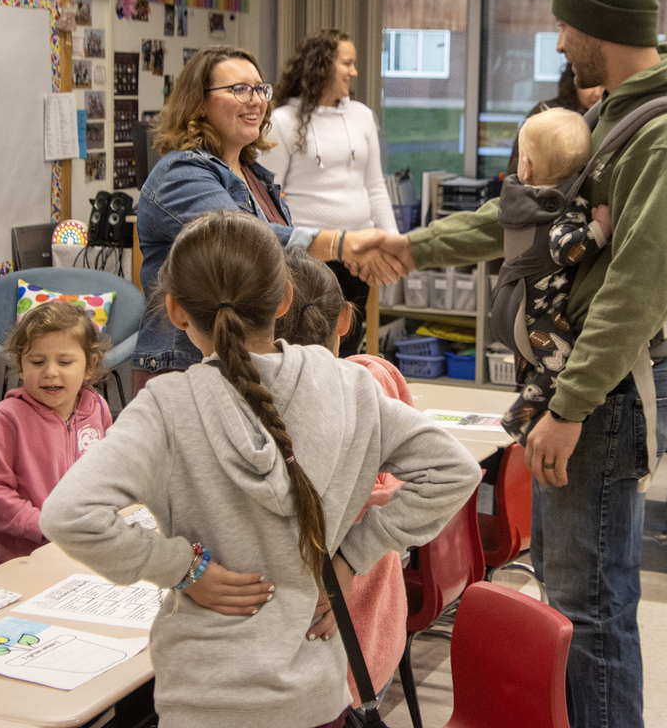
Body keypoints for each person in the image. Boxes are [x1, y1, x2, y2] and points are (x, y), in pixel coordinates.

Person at [352, 0, 667, 728]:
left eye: (564, 25)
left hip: (604, 393)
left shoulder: (665, 134)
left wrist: (570, 405)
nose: (558, 42)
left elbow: (636, 289)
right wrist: (414, 246)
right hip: (580, 390)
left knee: (591, 610)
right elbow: (525, 214)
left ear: (600, 25)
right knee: (568, 593)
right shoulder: (614, 112)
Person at [41, 209, 481, 728]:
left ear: (176, 311)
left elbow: (68, 514)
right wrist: (352, 557)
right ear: (284, 299)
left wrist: (182, 568)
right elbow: (454, 470)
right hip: (313, 696)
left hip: (202, 698)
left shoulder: (165, 407)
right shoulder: (349, 388)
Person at [132, 45, 400, 392]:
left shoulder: (255, 177)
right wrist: (340, 243)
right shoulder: (180, 174)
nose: (256, 100)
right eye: (239, 89)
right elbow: (246, 241)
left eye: (260, 89)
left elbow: (283, 265)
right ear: (198, 103)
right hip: (186, 370)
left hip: (246, 363)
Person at [274, 247, 410, 718]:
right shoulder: (373, 383)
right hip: (373, 642)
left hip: (306, 664)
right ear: (346, 320)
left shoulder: (250, 409)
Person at [261, 29, 398, 356]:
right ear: (322, 65)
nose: (354, 72)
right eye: (347, 63)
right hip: (308, 253)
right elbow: (268, 196)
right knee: (307, 344)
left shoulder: (362, 116)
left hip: (359, 250)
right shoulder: (283, 121)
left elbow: (375, 186)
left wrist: (393, 241)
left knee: (349, 340)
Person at [492, 107, 612, 444]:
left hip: (515, 300)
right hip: (542, 310)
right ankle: (519, 419)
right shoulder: (563, 207)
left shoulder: (518, 199)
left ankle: (524, 397)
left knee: (536, 362)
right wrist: (600, 229)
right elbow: (564, 249)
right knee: (559, 366)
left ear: (526, 166)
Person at [0, 302, 112, 571]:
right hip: (20, 562)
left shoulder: (98, 408)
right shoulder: (5, 419)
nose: (50, 372)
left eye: (65, 362)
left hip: (84, 555)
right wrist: (44, 527)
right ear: (20, 365)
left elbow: (110, 472)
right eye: (37, 362)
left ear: (89, 365)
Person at [507, 61, 605, 175]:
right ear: (573, 81)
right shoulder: (545, 113)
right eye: (588, 85)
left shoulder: (609, 119)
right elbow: (517, 169)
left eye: (603, 85)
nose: (597, 93)